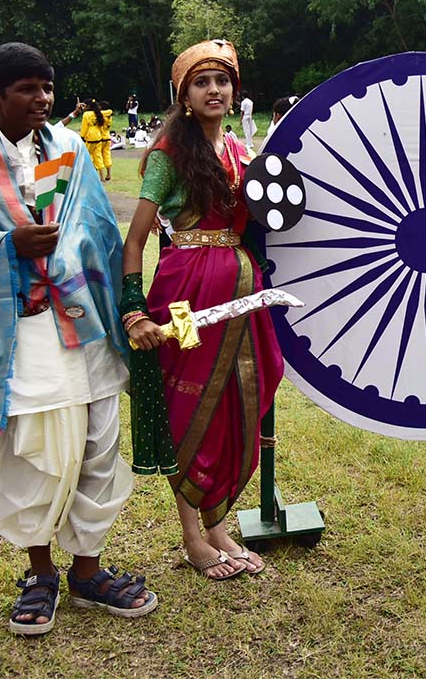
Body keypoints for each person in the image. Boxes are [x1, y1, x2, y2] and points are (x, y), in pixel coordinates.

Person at [0, 42, 157, 635]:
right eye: (27, 89)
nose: (42, 99)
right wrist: (8, 247)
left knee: (99, 443)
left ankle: (88, 569)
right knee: (35, 450)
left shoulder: (71, 149)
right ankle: (39, 571)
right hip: (21, 330)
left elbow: (94, 226)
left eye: (47, 88)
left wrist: (64, 254)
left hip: (83, 321)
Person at [122, 39, 283, 579]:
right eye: (201, 82)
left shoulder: (242, 152)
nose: (214, 90)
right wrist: (134, 311)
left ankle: (219, 526)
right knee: (190, 407)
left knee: (238, 399)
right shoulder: (168, 154)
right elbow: (136, 238)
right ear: (184, 95)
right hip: (185, 300)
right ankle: (193, 537)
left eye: (223, 80)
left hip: (242, 293)